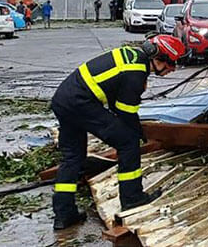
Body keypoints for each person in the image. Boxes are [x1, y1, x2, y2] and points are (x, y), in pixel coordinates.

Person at [50, 34, 186, 230]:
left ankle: (64, 215)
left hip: (64, 101)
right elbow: (125, 112)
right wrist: (138, 134)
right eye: (171, 64)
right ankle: (132, 198)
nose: (172, 70)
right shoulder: (136, 72)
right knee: (128, 143)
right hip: (82, 104)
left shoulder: (131, 56)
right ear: (160, 58)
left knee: (72, 157)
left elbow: (115, 101)